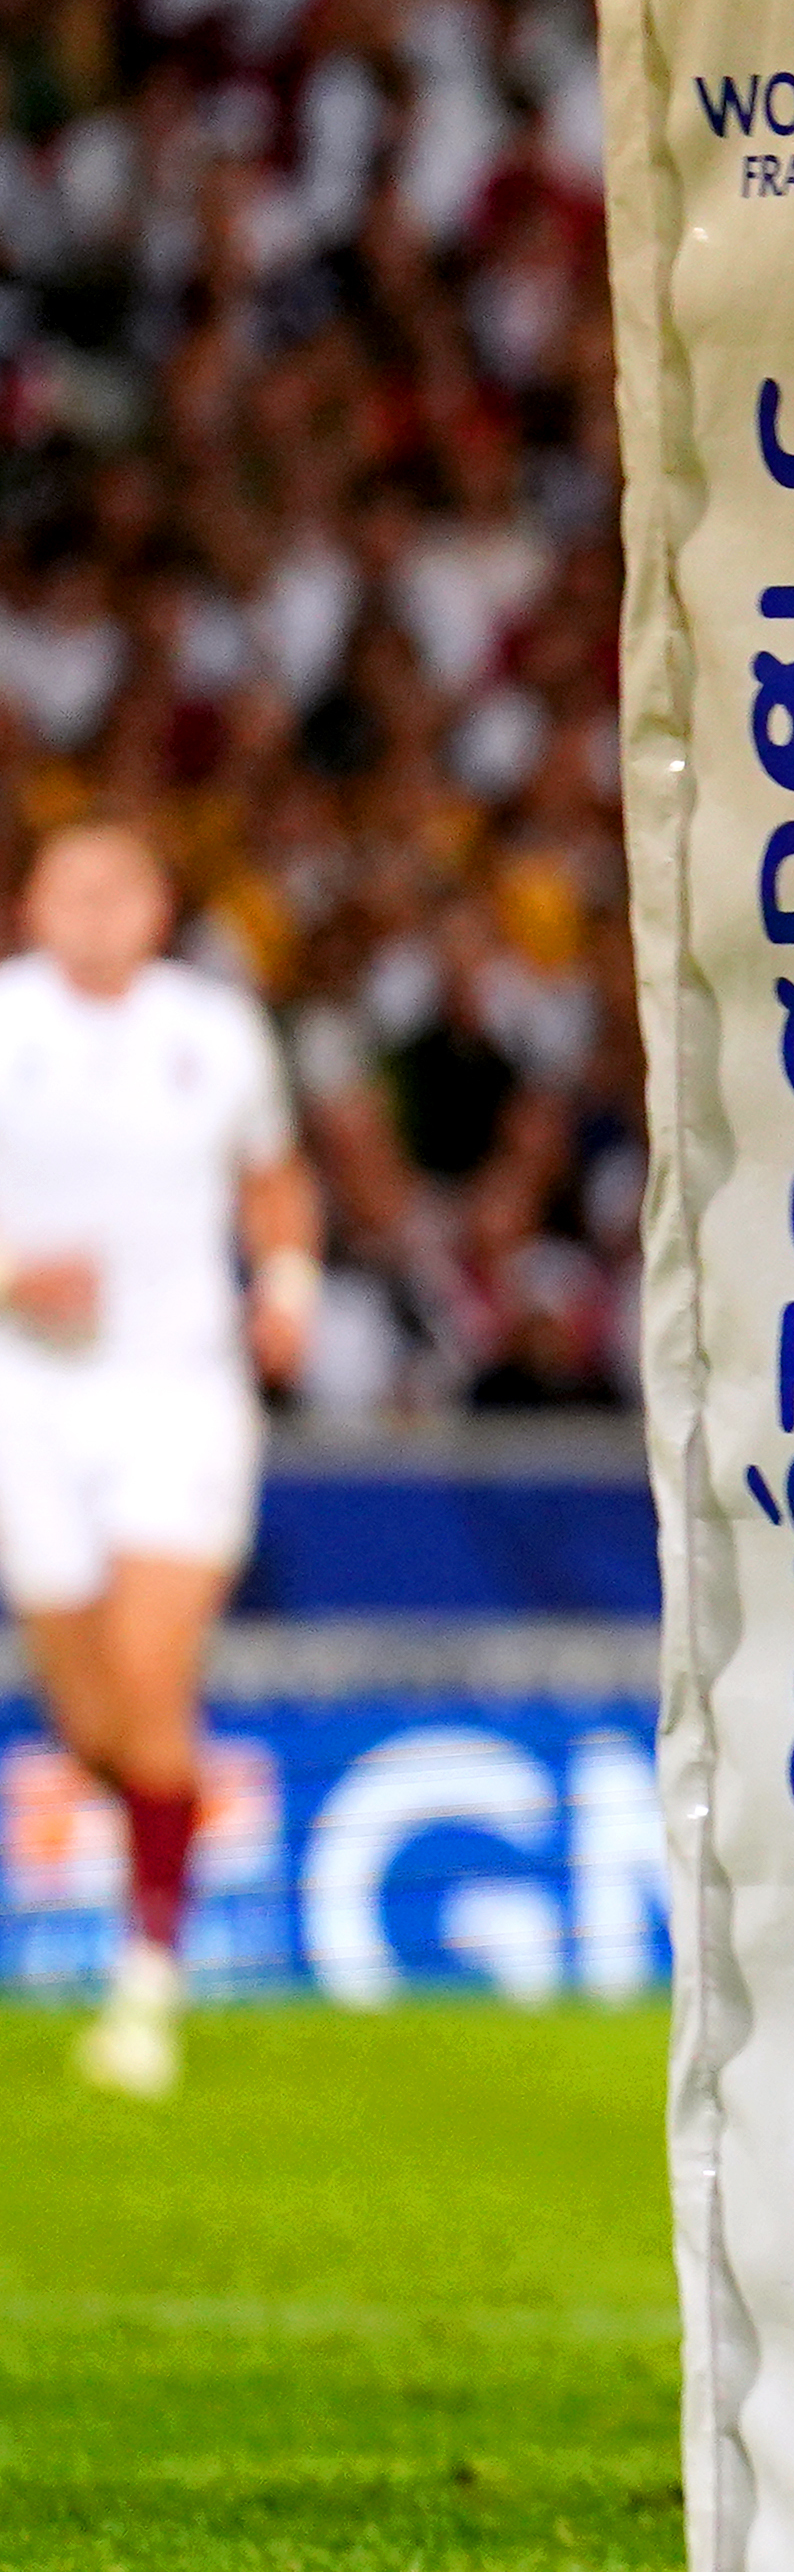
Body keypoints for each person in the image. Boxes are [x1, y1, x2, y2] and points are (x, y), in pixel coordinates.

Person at [0, 821, 320, 2097]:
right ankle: (151, 1870)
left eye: (118, 889)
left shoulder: (218, 1032)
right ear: (31, 904)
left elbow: (276, 1180)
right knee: (91, 1717)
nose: (93, 912)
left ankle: (149, 1981)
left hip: (180, 1388)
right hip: (30, 1393)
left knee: (149, 1667)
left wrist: (288, 1284)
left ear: (158, 904)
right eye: (69, 890)